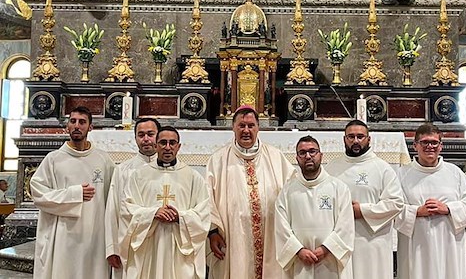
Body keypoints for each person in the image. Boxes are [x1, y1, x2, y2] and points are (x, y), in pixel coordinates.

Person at [206, 104, 295, 279]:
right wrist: (213, 232)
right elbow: (207, 199)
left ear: (258, 128)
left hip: (272, 236)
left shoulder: (276, 157)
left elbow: (293, 192)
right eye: (241, 125)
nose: (246, 130)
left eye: (251, 125)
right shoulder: (218, 160)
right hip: (232, 239)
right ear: (233, 127)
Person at [30, 106, 115, 279]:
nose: (77, 126)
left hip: (95, 233)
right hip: (63, 234)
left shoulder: (103, 159)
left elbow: (114, 196)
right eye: (73, 121)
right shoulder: (53, 159)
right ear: (67, 126)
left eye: (82, 122)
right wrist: (74, 194)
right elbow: (38, 193)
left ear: (90, 127)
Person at [120, 126, 210, 278]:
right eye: (163, 143)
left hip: (180, 248)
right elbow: (127, 209)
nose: (167, 147)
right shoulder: (139, 175)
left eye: (172, 143)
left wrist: (180, 217)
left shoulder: (193, 177)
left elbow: (204, 212)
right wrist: (153, 213)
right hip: (149, 247)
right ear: (156, 145)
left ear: (178, 147)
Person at [395, 123, 466, 279]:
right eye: (425, 142)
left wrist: (447, 209)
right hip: (417, 244)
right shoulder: (401, 174)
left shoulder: (454, 172)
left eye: (434, 142)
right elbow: (393, 208)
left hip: (450, 244)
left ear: (441, 146)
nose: (430, 146)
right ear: (415, 146)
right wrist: (416, 212)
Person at [326, 120, 403, 278]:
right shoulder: (332, 167)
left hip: (372, 241)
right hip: (339, 239)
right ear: (344, 139)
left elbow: (396, 203)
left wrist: (362, 210)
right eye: (351, 136)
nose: (355, 141)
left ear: (369, 139)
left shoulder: (382, 168)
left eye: (360, 136)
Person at [275, 135, 354, 278]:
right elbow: (281, 227)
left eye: (313, 151)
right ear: (297, 158)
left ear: (321, 155)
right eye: (302, 153)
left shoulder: (338, 188)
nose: (308, 156)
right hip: (299, 261)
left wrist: (327, 248)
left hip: (330, 261)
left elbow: (346, 225)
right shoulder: (287, 191)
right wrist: (298, 250)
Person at [105, 117, 160, 278]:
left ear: (159, 135)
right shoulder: (123, 170)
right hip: (129, 244)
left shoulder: (172, 169)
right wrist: (112, 248)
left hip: (160, 243)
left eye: (150, 134)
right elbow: (112, 210)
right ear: (135, 138)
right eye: (141, 135)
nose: (146, 139)